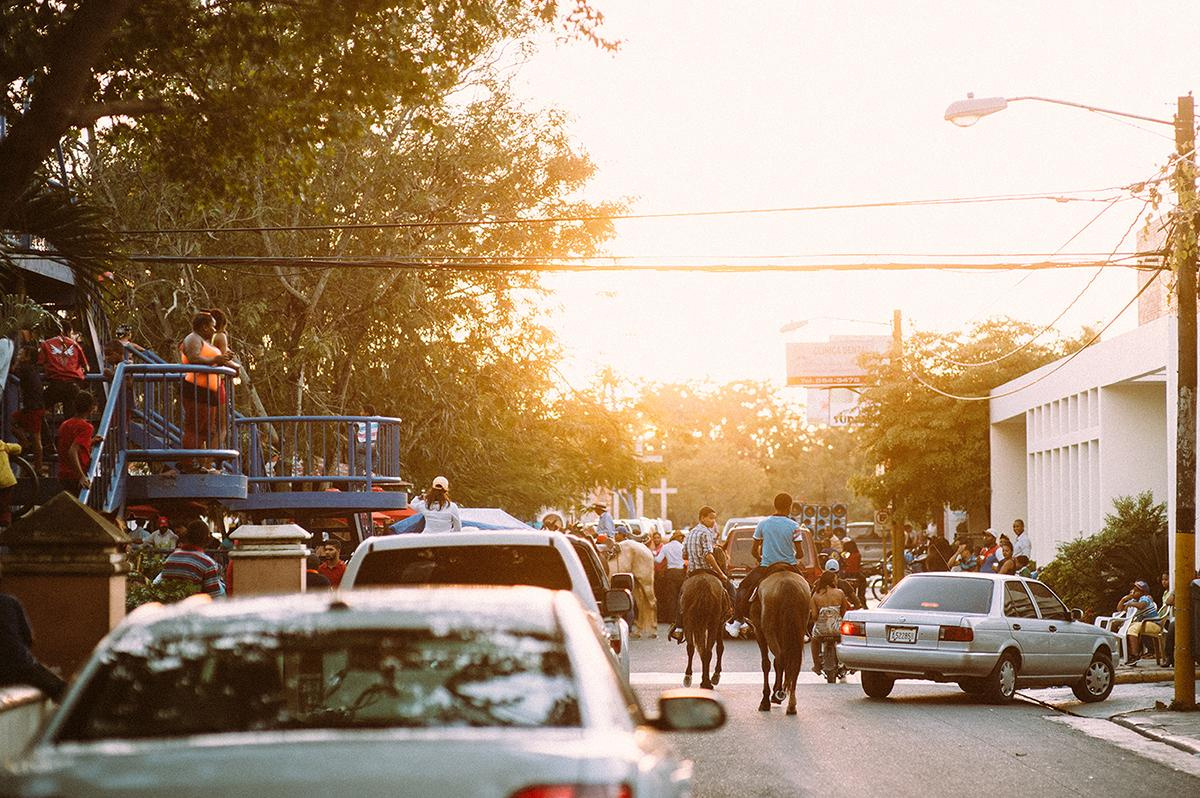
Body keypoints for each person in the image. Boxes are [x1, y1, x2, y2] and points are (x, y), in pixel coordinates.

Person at [730, 492, 803, 630]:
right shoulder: (795, 526)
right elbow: (800, 553)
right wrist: (794, 556)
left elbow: (753, 550)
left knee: (743, 588)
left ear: (774, 506)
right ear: (790, 507)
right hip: (789, 566)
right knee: (808, 590)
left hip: (767, 566)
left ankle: (738, 621)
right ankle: (805, 628)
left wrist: (760, 558)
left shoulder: (763, 524)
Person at [179, 311, 235, 472]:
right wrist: (215, 360)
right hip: (196, 389)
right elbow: (193, 358)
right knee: (194, 428)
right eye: (211, 326)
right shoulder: (192, 339)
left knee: (206, 430)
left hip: (208, 391)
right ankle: (188, 464)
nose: (214, 329)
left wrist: (223, 359)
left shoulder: (203, 340)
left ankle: (200, 462)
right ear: (204, 327)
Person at [668, 506, 732, 642]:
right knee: (730, 588)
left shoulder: (690, 533)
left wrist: (693, 555)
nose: (713, 521)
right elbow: (708, 555)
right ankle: (735, 619)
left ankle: (679, 627)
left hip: (692, 573)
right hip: (707, 570)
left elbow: (684, 554)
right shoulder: (706, 533)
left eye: (714, 518)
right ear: (702, 518)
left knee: (682, 597)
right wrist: (721, 573)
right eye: (710, 518)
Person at [0, 589, 67, 701]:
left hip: (14, 667)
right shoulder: (9, 602)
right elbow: (28, 638)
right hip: (19, 666)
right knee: (62, 690)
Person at [155, 520, 226, 597]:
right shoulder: (207, 563)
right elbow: (216, 596)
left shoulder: (171, 558)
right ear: (206, 540)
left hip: (171, 605)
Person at [38, 319, 88, 416]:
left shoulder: (46, 344)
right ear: (68, 331)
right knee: (71, 416)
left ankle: (43, 431)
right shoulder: (75, 344)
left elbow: (39, 363)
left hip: (56, 384)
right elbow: (86, 366)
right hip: (72, 386)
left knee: (37, 410)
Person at [55, 391, 100, 494]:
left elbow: (68, 444)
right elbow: (72, 450)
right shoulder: (86, 427)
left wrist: (90, 442)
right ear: (91, 408)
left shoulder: (65, 424)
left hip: (63, 473)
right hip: (75, 475)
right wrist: (81, 476)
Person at [810, 569, 852, 679]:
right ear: (832, 581)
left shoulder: (815, 595)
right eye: (835, 579)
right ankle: (849, 664)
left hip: (821, 630)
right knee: (847, 638)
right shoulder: (840, 593)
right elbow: (843, 612)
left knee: (814, 641)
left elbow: (814, 616)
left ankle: (817, 666)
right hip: (837, 628)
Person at [10, 344, 45, 476]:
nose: (18, 356)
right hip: (34, 406)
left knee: (37, 438)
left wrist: (15, 362)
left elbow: (12, 371)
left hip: (33, 407)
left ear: (28, 358)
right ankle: (25, 442)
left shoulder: (24, 368)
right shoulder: (33, 369)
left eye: (21, 354)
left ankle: (39, 468)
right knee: (13, 421)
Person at [1115, 580, 1160, 665]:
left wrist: (1131, 603)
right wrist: (1124, 599)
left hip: (1154, 624)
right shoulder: (1134, 600)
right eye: (1133, 589)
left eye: (1136, 590)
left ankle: (1135, 655)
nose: (1133, 591)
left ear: (1142, 592)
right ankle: (1130, 653)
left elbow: (1141, 605)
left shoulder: (1145, 598)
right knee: (1126, 628)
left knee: (1133, 629)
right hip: (1144, 623)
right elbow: (1120, 609)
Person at [0, 439, 21, 527]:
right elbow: (18, 448)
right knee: (5, 504)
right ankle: (6, 522)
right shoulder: (2, 445)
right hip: (7, 480)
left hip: (5, 480)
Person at [841, 537, 866, 607]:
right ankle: (861, 598)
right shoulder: (857, 555)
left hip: (847, 574)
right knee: (863, 581)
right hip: (856, 574)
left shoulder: (846, 555)